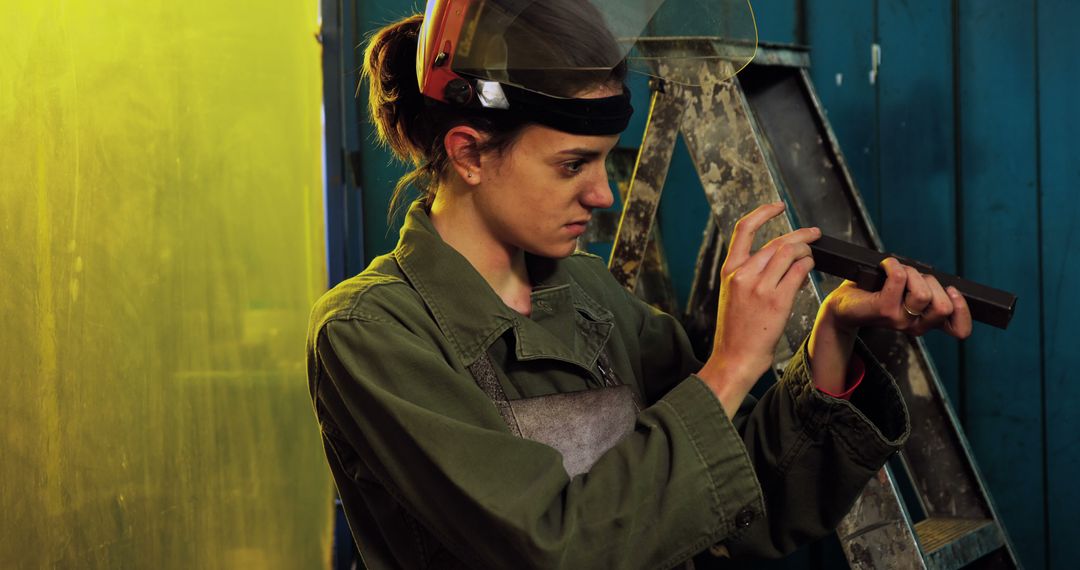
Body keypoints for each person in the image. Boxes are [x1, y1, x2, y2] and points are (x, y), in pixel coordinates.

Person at [307, 1, 973, 568]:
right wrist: (734, 364)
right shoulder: (372, 334)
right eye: (573, 165)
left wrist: (834, 333)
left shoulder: (593, 299)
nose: (602, 193)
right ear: (469, 153)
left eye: (604, 162)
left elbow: (735, 499)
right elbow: (550, 550)